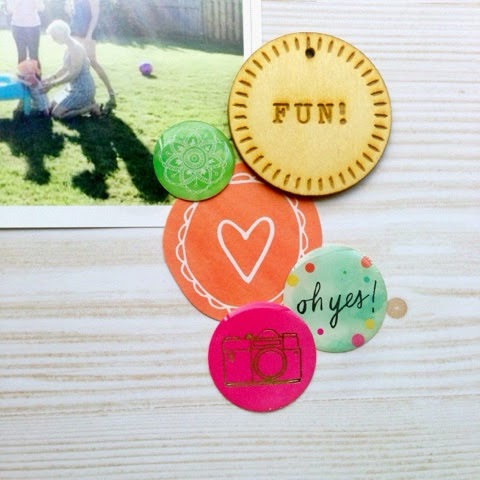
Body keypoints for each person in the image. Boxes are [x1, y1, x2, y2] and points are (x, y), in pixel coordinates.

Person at [42, 20, 101, 119]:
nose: (53, 39)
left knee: (57, 114)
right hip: (72, 88)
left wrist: (53, 84)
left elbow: (74, 73)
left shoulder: (76, 48)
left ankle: (90, 107)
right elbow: (65, 68)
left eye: (54, 36)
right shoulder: (69, 47)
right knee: (50, 107)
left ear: (61, 34)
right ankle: (87, 103)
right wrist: (50, 78)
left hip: (82, 89)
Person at [66, 0, 115, 110]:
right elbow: (74, 13)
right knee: (73, 62)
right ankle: (79, 94)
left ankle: (110, 91)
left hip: (87, 33)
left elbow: (95, 16)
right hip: (74, 31)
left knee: (92, 62)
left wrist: (89, 35)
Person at [7, 0, 45, 67]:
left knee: (34, 55)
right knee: (21, 55)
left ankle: (36, 73)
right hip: (18, 26)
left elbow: (41, 8)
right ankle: (22, 73)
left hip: (33, 26)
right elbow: (9, 10)